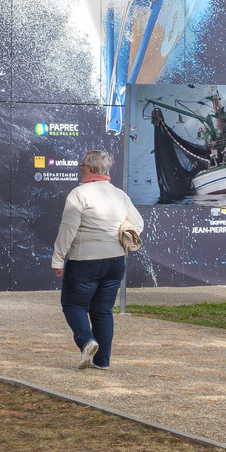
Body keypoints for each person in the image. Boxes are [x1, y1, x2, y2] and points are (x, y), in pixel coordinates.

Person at [53, 150, 144, 369]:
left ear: (90, 169)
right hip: (115, 261)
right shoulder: (120, 195)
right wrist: (121, 232)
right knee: (103, 311)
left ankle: (87, 340)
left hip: (85, 260)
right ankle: (102, 361)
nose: (80, 168)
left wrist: (58, 258)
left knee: (72, 304)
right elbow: (138, 224)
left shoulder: (79, 194)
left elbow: (68, 229)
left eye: (81, 165)